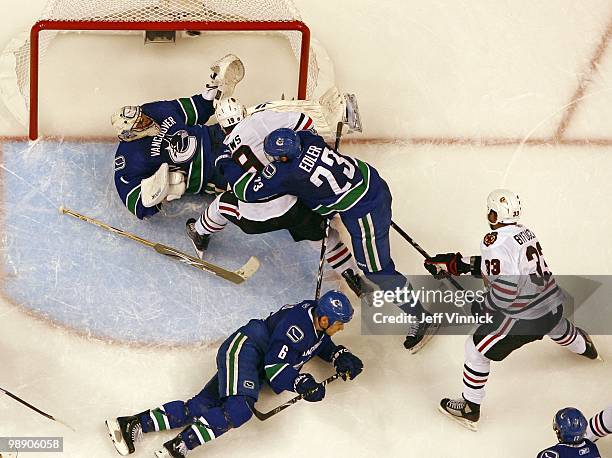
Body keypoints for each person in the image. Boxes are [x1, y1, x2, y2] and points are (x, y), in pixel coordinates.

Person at [216, 127, 437, 351]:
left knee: (377, 271)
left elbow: (246, 192)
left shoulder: (288, 173)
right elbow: (308, 134)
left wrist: (224, 161)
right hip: (371, 181)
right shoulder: (309, 141)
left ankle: (421, 316)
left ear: (284, 157)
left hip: (365, 213)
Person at [105, 290, 363, 457]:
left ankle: (131, 423)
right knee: (239, 409)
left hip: (250, 358)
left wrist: (338, 355)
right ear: (325, 319)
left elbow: (314, 342)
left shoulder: (314, 319)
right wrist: (301, 383)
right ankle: (177, 448)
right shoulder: (296, 326)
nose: (341, 328)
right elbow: (275, 368)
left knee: (201, 407)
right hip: (245, 351)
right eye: (340, 323)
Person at [424, 189, 599, 430]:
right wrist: (458, 264)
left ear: (495, 214)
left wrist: (483, 308)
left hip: (528, 319)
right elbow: (505, 267)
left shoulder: (494, 242)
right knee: (556, 326)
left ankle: (470, 407)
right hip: (554, 304)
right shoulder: (525, 232)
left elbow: (505, 292)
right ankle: (585, 347)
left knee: (475, 349)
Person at [186, 97, 363, 296]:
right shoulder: (261, 119)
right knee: (326, 239)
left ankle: (199, 232)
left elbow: (240, 189)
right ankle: (355, 279)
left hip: (255, 219)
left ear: (223, 126)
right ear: (243, 112)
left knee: (220, 205)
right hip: (293, 207)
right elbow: (306, 123)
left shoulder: (225, 149)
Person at [111, 54, 245, 219]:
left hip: (215, 134)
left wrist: (211, 93)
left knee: (251, 128)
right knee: (252, 178)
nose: (147, 120)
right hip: (210, 170)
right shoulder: (128, 159)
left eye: (143, 116)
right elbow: (136, 203)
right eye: (141, 123)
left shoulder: (151, 111)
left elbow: (193, 108)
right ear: (129, 134)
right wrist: (167, 188)